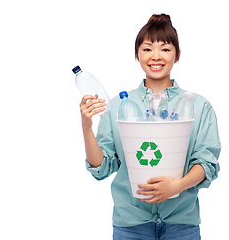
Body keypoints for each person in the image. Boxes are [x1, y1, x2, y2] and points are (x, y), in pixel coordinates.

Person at [79, 13, 221, 240]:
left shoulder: (199, 106)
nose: (156, 56)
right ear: (137, 55)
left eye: (165, 49)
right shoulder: (117, 106)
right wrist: (86, 125)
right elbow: (103, 166)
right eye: (147, 49)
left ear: (178, 55)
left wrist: (178, 186)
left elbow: (206, 163)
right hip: (130, 225)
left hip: (181, 225)